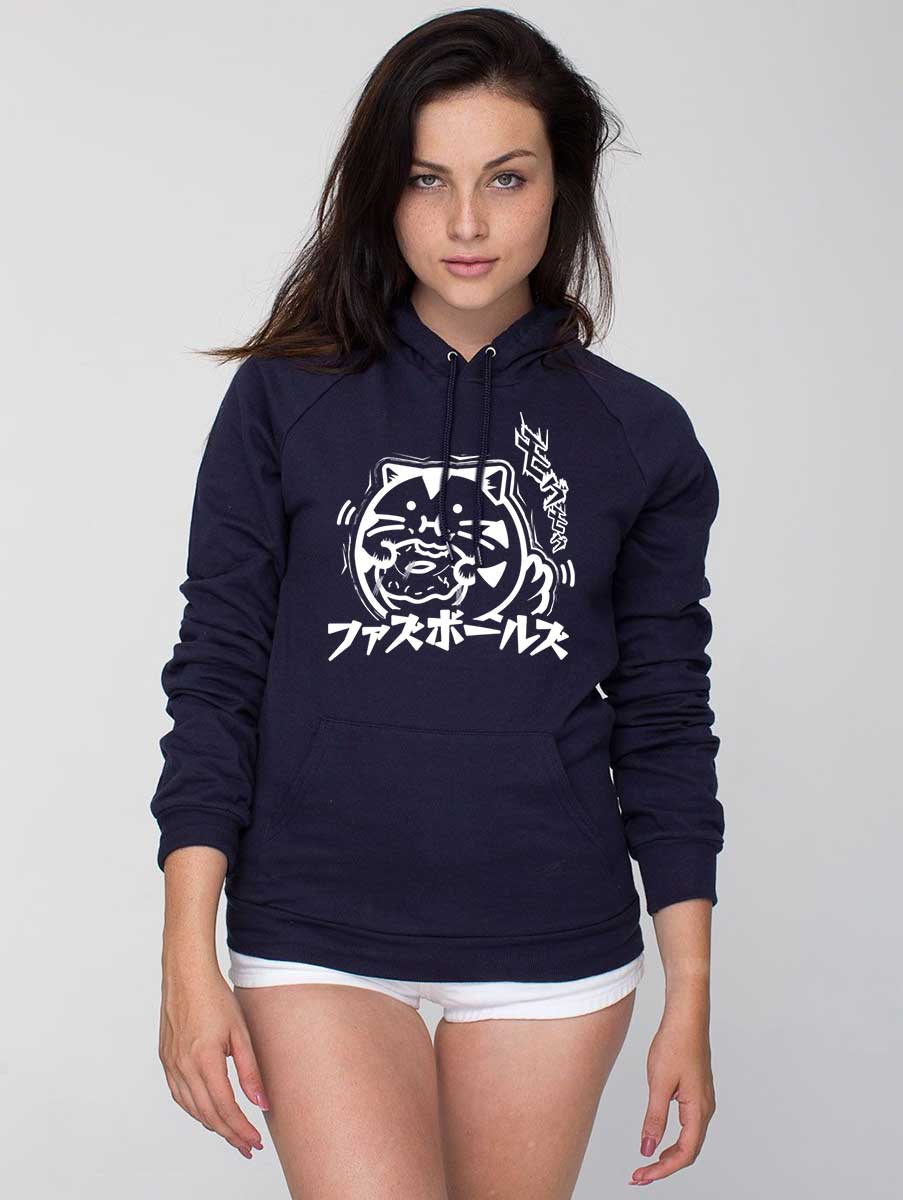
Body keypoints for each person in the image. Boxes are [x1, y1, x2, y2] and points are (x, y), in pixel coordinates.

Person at [150, 8, 723, 1196]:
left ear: (561, 187)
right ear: (383, 189)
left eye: (506, 178)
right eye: (428, 179)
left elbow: (666, 720)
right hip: (314, 927)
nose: (467, 222)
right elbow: (217, 672)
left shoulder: (639, 435)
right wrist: (185, 958)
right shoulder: (283, 401)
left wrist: (691, 999)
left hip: (550, 939)